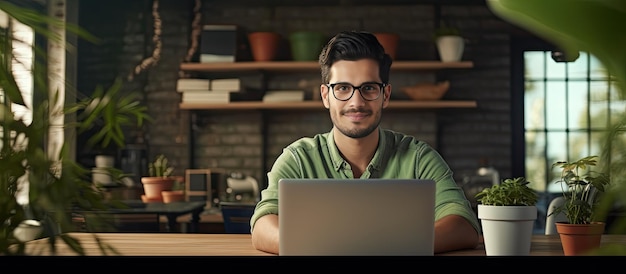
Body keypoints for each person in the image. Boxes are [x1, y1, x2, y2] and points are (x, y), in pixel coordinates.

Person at [250, 30, 481, 255]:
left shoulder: (419, 158)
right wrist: (332, 249)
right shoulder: (298, 159)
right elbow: (262, 227)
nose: (356, 102)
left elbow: (464, 225)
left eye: (369, 88)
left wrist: (380, 248)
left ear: (386, 95)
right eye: (343, 88)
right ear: (325, 96)